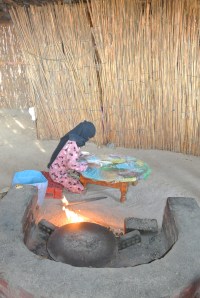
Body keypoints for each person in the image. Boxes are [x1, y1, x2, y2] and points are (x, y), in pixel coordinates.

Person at [48, 120, 96, 194]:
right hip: (57, 173)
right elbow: (72, 164)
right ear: (84, 133)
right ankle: (81, 190)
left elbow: (70, 154)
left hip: (60, 166)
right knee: (78, 186)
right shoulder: (73, 143)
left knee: (80, 166)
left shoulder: (73, 136)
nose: (88, 139)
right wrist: (87, 165)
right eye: (88, 136)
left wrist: (83, 156)